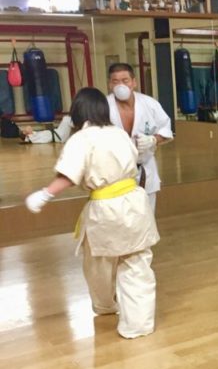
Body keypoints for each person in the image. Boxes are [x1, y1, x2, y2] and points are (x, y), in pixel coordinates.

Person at [24, 87, 159, 339]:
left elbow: (69, 175)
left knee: (99, 264)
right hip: (135, 204)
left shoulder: (82, 139)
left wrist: (45, 194)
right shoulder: (119, 133)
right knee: (137, 263)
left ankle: (106, 306)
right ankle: (138, 325)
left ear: (77, 112)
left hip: (107, 209)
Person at [107, 63, 173, 212]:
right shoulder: (103, 107)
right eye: (115, 81)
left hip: (144, 169)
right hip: (115, 173)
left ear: (134, 82)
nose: (120, 85)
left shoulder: (149, 104)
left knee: (147, 217)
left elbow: (166, 129)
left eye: (125, 80)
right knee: (120, 217)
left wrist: (153, 140)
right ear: (110, 84)